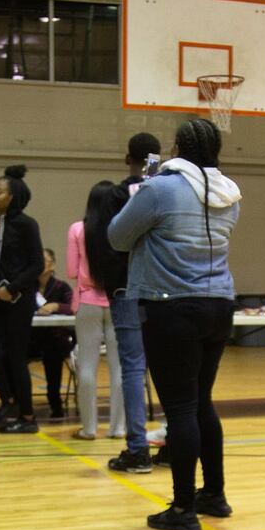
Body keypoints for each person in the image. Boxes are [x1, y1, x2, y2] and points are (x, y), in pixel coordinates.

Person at [110, 118, 241, 530]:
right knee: (202, 401)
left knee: (181, 408)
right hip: (219, 305)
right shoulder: (229, 194)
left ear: (178, 148)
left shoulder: (160, 188)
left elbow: (116, 236)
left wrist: (145, 189)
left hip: (171, 308)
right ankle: (214, 495)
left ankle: (183, 507)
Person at [95, 133, 162, 474]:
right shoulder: (165, 190)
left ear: (127, 159)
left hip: (126, 289)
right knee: (169, 366)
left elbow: (109, 243)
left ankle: (138, 449)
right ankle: (174, 441)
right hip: (163, 290)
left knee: (133, 368)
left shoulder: (117, 195)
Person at [0, 165, 44, 434]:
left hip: (20, 300)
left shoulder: (27, 225)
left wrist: (14, 288)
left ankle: (28, 417)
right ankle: (9, 399)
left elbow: (37, 264)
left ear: (13, 196)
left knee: (16, 357)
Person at [68, 181, 125, 440]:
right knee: (120, 368)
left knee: (87, 367)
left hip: (88, 303)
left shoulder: (78, 229)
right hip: (117, 301)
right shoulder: (120, 230)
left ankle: (89, 428)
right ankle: (119, 428)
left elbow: (71, 271)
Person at [29, 248, 75, 419]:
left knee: (53, 353)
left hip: (56, 338)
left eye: (44, 260)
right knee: (8, 354)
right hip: (31, 339)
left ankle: (55, 402)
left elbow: (73, 307)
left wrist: (56, 306)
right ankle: (17, 401)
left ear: (53, 264)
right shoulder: (27, 287)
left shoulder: (61, 287)